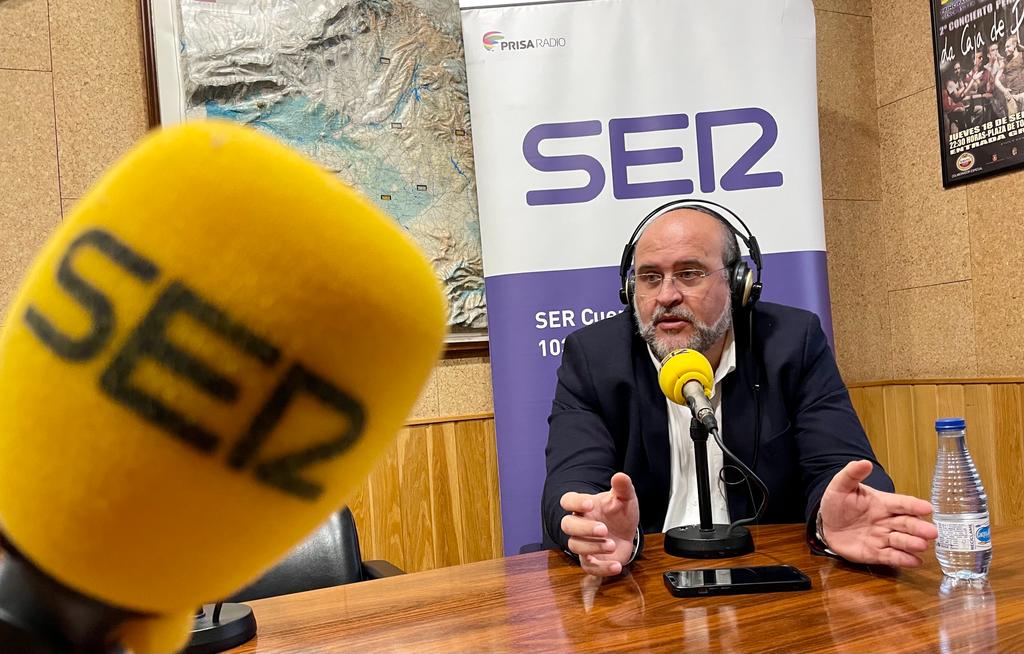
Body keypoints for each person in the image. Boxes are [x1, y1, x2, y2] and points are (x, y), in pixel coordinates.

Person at [542, 204, 938, 577]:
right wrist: (592, 525)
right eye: (649, 278)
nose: (666, 296)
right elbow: (572, 478)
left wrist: (830, 517)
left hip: (763, 570)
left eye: (690, 273)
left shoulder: (791, 344)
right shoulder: (593, 357)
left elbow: (840, 465)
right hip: (642, 574)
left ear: (738, 283)